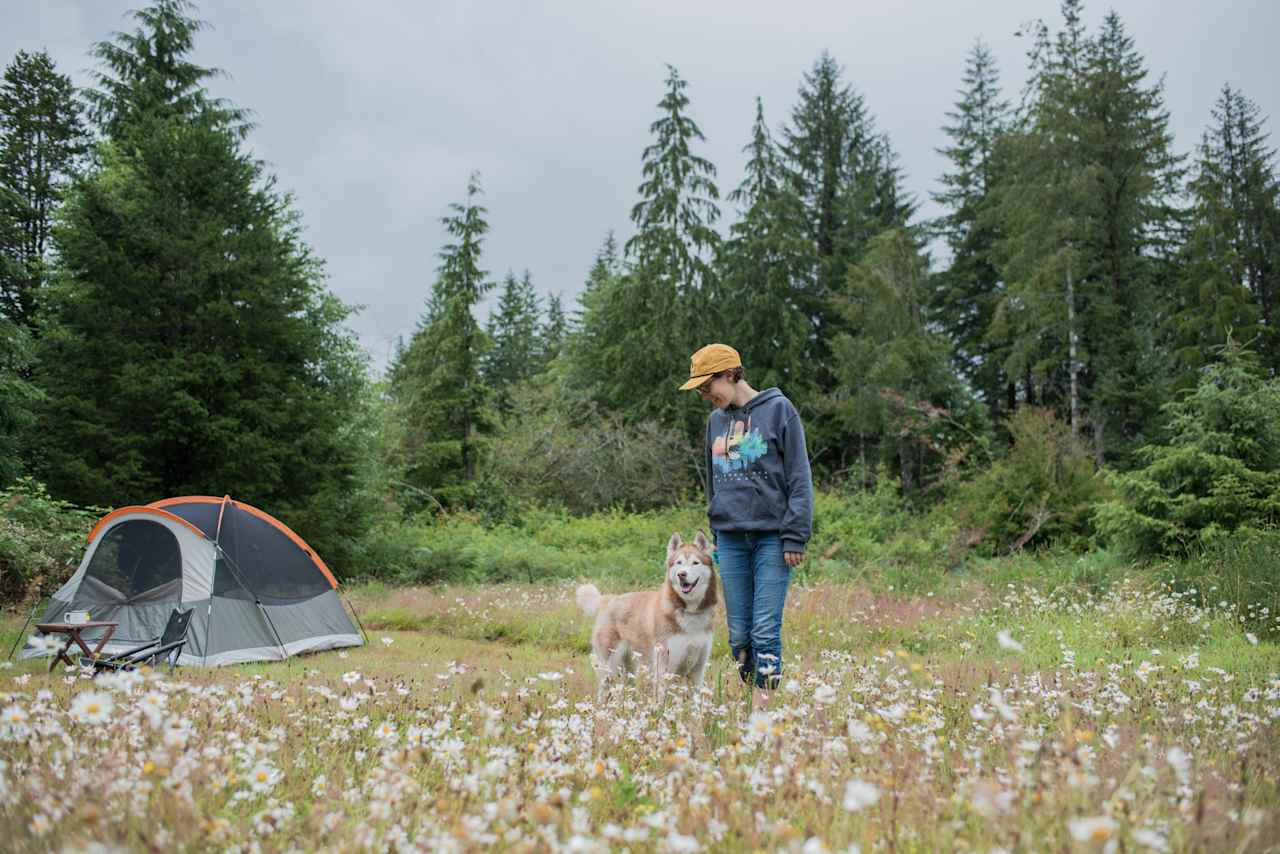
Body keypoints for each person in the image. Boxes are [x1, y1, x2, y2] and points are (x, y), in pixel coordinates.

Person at [679, 343, 813, 711]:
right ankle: (755, 700)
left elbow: (799, 477)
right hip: (731, 541)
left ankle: (761, 716)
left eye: (708, 386)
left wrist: (795, 534)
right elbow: (712, 482)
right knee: (739, 637)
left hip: (773, 540)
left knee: (764, 633)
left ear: (731, 374)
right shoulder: (715, 422)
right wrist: (717, 534)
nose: (705, 396)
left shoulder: (779, 411)